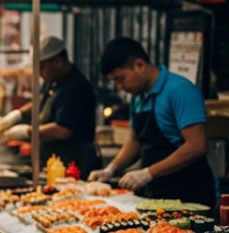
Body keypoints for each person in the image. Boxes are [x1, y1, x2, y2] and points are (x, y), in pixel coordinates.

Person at [88, 37, 216, 207]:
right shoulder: (137, 97)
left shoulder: (180, 90)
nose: (119, 86)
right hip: (156, 191)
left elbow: (197, 145)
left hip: (189, 193)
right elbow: (135, 139)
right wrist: (111, 169)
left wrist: (147, 173)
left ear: (139, 65)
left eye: (120, 78)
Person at [0, 35, 99, 177]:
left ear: (57, 61)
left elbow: (62, 130)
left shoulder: (76, 87)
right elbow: (40, 103)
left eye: (42, 68)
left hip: (71, 164)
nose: (39, 74)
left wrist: (26, 131)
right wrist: (18, 114)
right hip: (51, 160)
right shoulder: (52, 79)